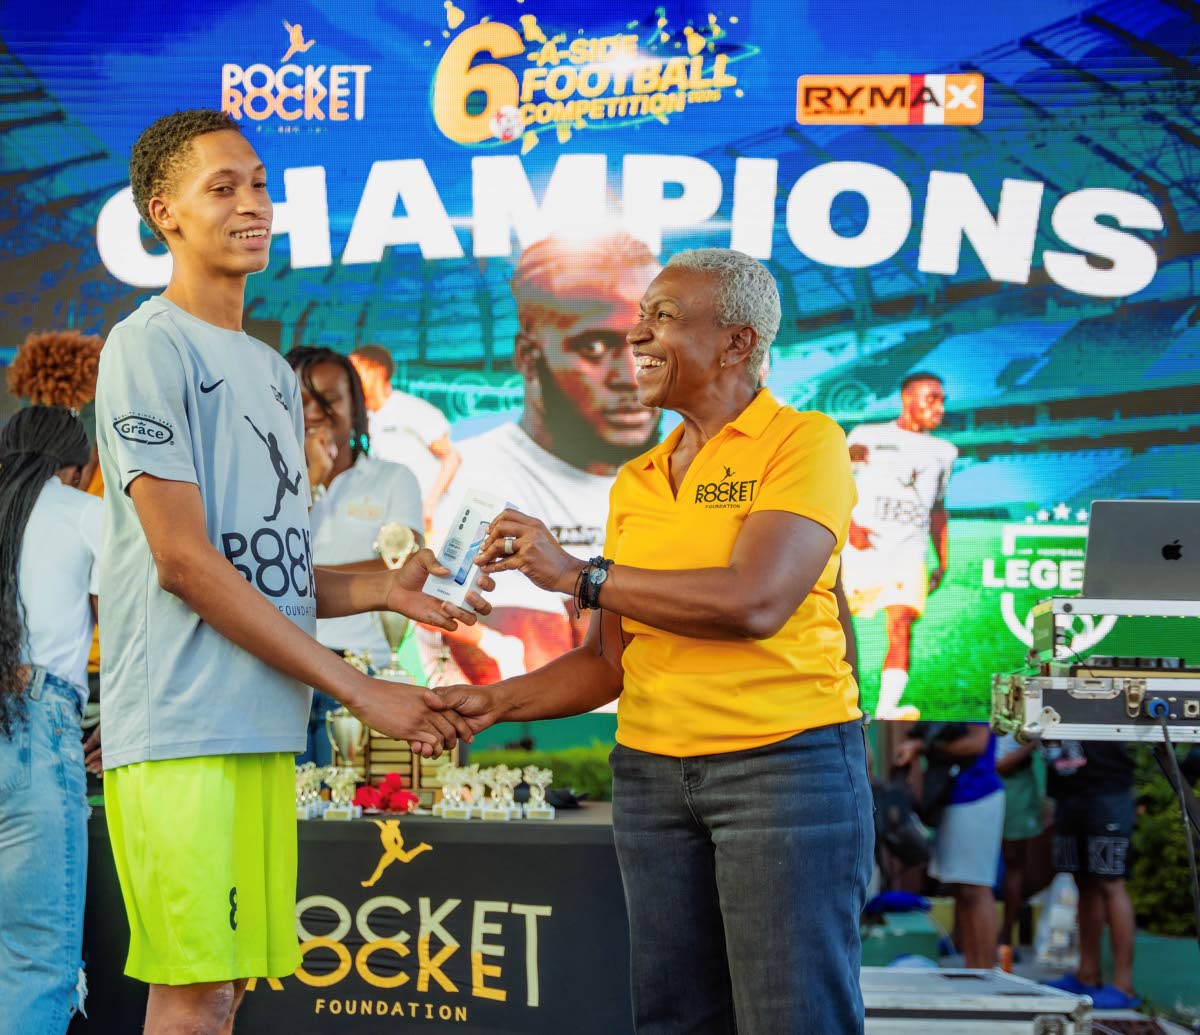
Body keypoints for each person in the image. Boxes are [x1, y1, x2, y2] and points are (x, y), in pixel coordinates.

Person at [95, 108, 485, 1035]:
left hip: (261, 722)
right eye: (221, 188)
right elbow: (185, 562)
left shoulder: (272, 370)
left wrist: (383, 587)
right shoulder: (146, 345)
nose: (252, 205)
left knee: (224, 996)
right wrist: (358, 688)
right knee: (189, 999)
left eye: (260, 184)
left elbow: (273, 569)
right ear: (165, 214)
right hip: (180, 723)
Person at [427, 248, 874, 1033]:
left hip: (783, 771)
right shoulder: (637, 480)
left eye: (661, 318)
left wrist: (579, 576)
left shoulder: (804, 442)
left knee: (790, 1016)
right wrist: (488, 703)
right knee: (674, 1020)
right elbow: (608, 663)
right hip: (652, 781)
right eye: (640, 318)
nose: (639, 336)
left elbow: (756, 600)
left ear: (737, 344)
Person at [431, 233, 662, 686]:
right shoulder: (477, 476)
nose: (629, 376)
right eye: (595, 347)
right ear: (528, 357)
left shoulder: (698, 470)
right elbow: (528, 655)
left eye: (644, 344)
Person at [0, 405, 102, 1034]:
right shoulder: (82, 510)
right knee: (34, 961)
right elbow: (147, 614)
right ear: (78, 466)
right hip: (37, 724)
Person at [286, 345, 425, 765]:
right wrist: (308, 481)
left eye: (328, 398)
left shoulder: (392, 478)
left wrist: (306, 578)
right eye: (300, 399)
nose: (314, 412)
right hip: (283, 666)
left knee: (350, 822)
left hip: (361, 672)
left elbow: (402, 567)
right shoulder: (264, 486)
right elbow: (265, 561)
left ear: (357, 406)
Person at [843, 372, 956, 720]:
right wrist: (850, 527)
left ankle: (887, 710)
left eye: (941, 400)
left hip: (908, 555)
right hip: (862, 552)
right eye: (931, 398)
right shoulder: (867, 437)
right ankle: (835, 704)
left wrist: (943, 560)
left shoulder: (945, 452)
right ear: (907, 399)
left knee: (901, 622)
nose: (939, 407)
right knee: (836, 625)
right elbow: (835, 481)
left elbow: (937, 508)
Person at [895, 722, 1004, 968]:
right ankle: (973, 968)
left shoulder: (971, 691)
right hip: (951, 796)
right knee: (961, 889)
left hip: (976, 795)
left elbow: (977, 742)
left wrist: (922, 745)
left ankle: (985, 971)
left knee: (976, 888)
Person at [1043, 740, 1140, 1009]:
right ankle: (1087, 973)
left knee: (1111, 883)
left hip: (1107, 791)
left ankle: (1124, 985)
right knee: (1082, 882)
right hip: (1068, 793)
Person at [349, 344, 459, 530]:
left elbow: (451, 457)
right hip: (397, 521)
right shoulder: (364, 419)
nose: (350, 379)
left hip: (432, 521)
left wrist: (430, 505)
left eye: (355, 370)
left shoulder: (409, 409)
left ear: (378, 370)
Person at [996, 732, 1045, 954]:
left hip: (1017, 785)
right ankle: (961, 937)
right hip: (982, 781)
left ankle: (1005, 938)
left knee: (1014, 861)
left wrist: (1031, 745)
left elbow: (1036, 738)